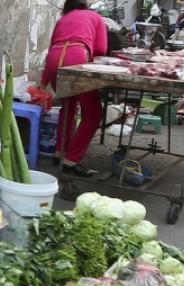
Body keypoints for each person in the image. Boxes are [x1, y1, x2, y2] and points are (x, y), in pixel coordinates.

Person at [41, 0, 108, 178]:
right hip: (77, 56)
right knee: (93, 113)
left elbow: (53, 44)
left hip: (54, 58)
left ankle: (59, 153)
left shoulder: (62, 20)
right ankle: (72, 160)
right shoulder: (95, 17)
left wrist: (44, 78)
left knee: (68, 105)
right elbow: (101, 48)